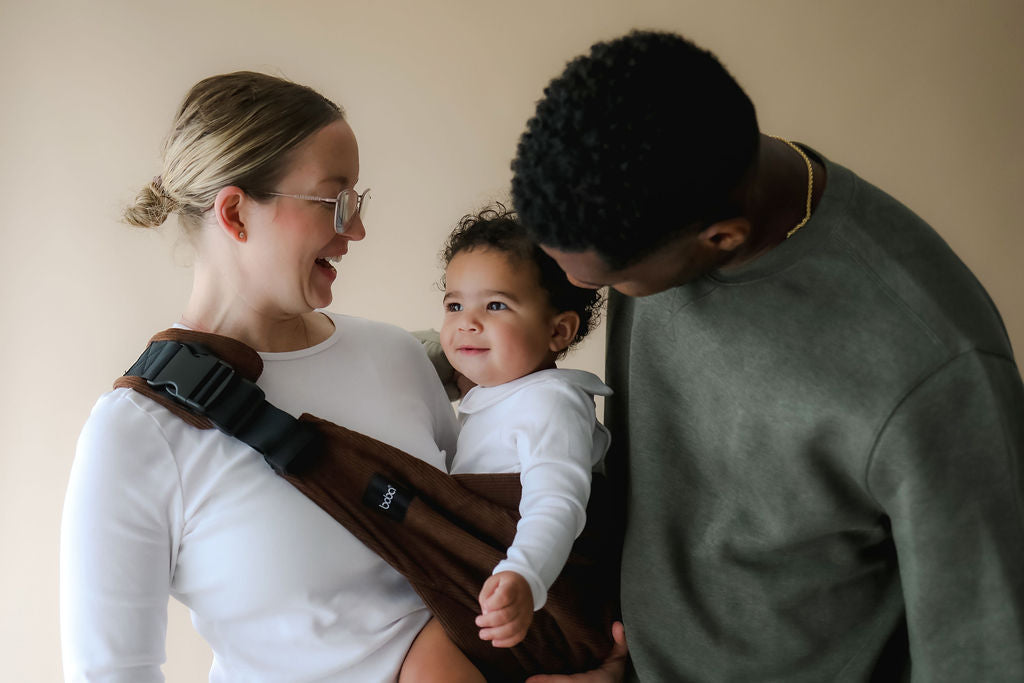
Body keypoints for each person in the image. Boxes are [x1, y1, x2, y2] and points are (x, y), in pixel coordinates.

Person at [509, 30, 1024, 682]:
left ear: (722, 238)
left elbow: (979, 659)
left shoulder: (936, 370)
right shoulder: (654, 185)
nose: (577, 292)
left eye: (599, 280)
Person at [59, 71, 464, 682]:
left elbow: (488, 554)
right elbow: (112, 674)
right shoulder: (138, 433)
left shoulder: (396, 357)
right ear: (235, 213)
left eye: (358, 200)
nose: (356, 230)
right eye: (335, 200)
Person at [400, 208, 611, 682]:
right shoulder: (496, 393)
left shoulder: (551, 403)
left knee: (425, 666)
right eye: (455, 306)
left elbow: (557, 502)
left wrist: (525, 576)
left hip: (542, 587)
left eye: (495, 306)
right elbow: (411, 352)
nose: (467, 323)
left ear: (559, 331)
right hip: (499, 578)